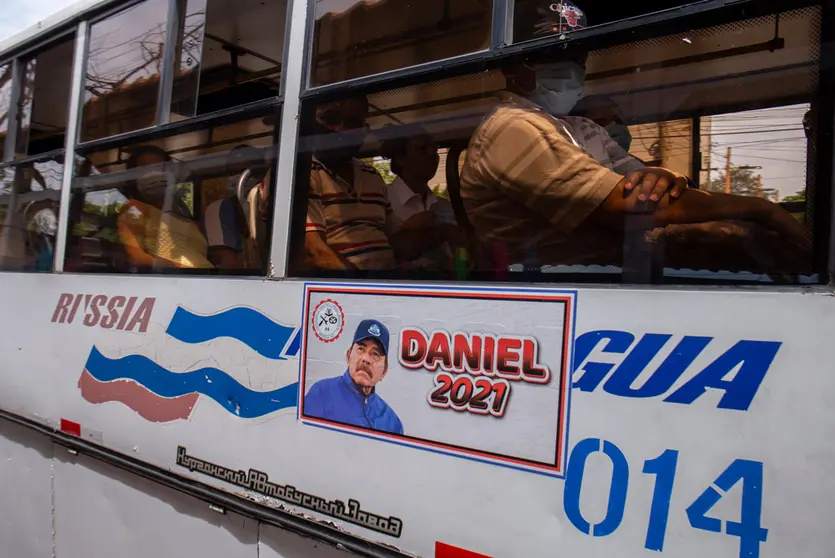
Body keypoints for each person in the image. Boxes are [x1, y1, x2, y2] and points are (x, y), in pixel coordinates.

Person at [459, 60, 810, 270]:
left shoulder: (581, 128)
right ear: (512, 67)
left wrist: (664, 178)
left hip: (613, 271)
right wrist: (759, 208)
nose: (573, 68)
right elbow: (628, 207)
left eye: (578, 55)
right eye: (555, 56)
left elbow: (643, 183)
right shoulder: (512, 126)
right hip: (562, 280)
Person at [304, 96, 396, 271]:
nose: (339, 129)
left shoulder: (371, 175)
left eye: (352, 123)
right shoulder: (303, 172)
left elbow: (392, 238)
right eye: (330, 119)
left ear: (364, 130)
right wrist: (361, 285)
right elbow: (313, 252)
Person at [380, 125, 466, 269]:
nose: (433, 154)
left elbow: (463, 252)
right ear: (401, 159)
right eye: (422, 149)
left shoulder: (444, 206)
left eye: (434, 148)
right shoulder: (382, 200)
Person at [117, 145, 213, 270]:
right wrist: (175, 268)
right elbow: (137, 258)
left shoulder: (184, 216)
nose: (155, 174)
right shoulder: (134, 210)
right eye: (145, 169)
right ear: (133, 178)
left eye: (161, 168)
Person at [304, 319, 403, 435]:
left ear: (384, 371)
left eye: (375, 354)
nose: (365, 359)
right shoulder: (322, 394)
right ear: (348, 355)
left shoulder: (392, 423)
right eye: (361, 349)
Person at [203, 145, 270, 269]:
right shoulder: (220, 208)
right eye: (232, 173)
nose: (238, 178)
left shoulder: (278, 203)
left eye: (244, 171)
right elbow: (227, 265)